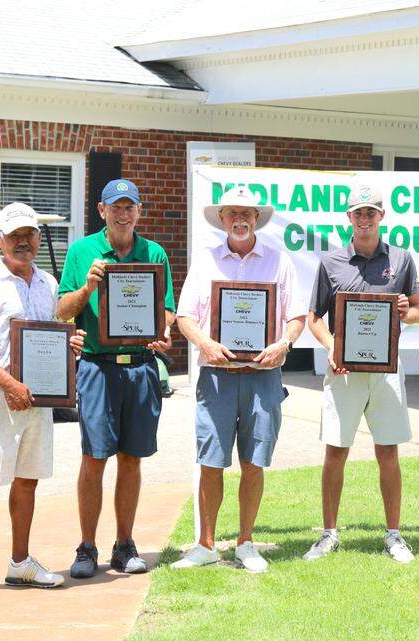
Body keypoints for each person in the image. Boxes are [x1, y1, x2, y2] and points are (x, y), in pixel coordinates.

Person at [170, 186, 307, 573]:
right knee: (211, 461)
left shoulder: (279, 262)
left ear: (256, 219)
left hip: (263, 376)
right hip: (217, 376)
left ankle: (246, 542)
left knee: (254, 462)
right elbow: (185, 317)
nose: (240, 219)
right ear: (224, 219)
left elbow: (296, 316)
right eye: (233, 213)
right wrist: (204, 343)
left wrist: (284, 344)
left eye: (247, 213)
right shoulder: (206, 261)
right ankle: (207, 544)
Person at [0, 203, 85, 598]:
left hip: (38, 398)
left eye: (29, 234)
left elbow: (51, 334)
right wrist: (9, 384)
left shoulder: (47, 283)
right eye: (14, 235)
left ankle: (20, 563)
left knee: (27, 481)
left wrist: (71, 346)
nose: (23, 241)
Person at [57, 178, 176, 578]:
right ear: (102, 210)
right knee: (94, 457)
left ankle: (124, 545)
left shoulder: (153, 252)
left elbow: (167, 309)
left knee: (131, 458)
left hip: (140, 366)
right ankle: (87, 547)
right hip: (97, 367)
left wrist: (164, 329)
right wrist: (89, 285)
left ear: (138, 211)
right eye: (116, 206)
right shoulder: (81, 250)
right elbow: (62, 310)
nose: (124, 213)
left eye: (130, 207)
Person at [302, 185, 419, 563]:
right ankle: (329, 533)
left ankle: (394, 534)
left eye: (371, 212)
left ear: (382, 216)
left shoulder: (402, 259)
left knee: (388, 450)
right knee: (336, 450)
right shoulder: (331, 261)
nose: (365, 218)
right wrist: (331, 347)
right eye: (358, 212)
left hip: (386, 370)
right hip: (344, 370)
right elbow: (313, 318)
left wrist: (407, 310)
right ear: (349, 217)